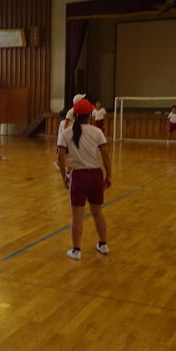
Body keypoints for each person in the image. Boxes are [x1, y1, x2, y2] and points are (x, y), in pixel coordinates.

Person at [57, 99, 111, 261]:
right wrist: (109, 175)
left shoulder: (66, 133)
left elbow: (60, 156)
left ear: (74, 114)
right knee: (98, 213)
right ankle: (103, 244)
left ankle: (76, 250)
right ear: (89, 115)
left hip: (78, 177)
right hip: (95, 176)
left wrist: (63, 176)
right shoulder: (97, 132)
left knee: (77, 216)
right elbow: (105, 155)